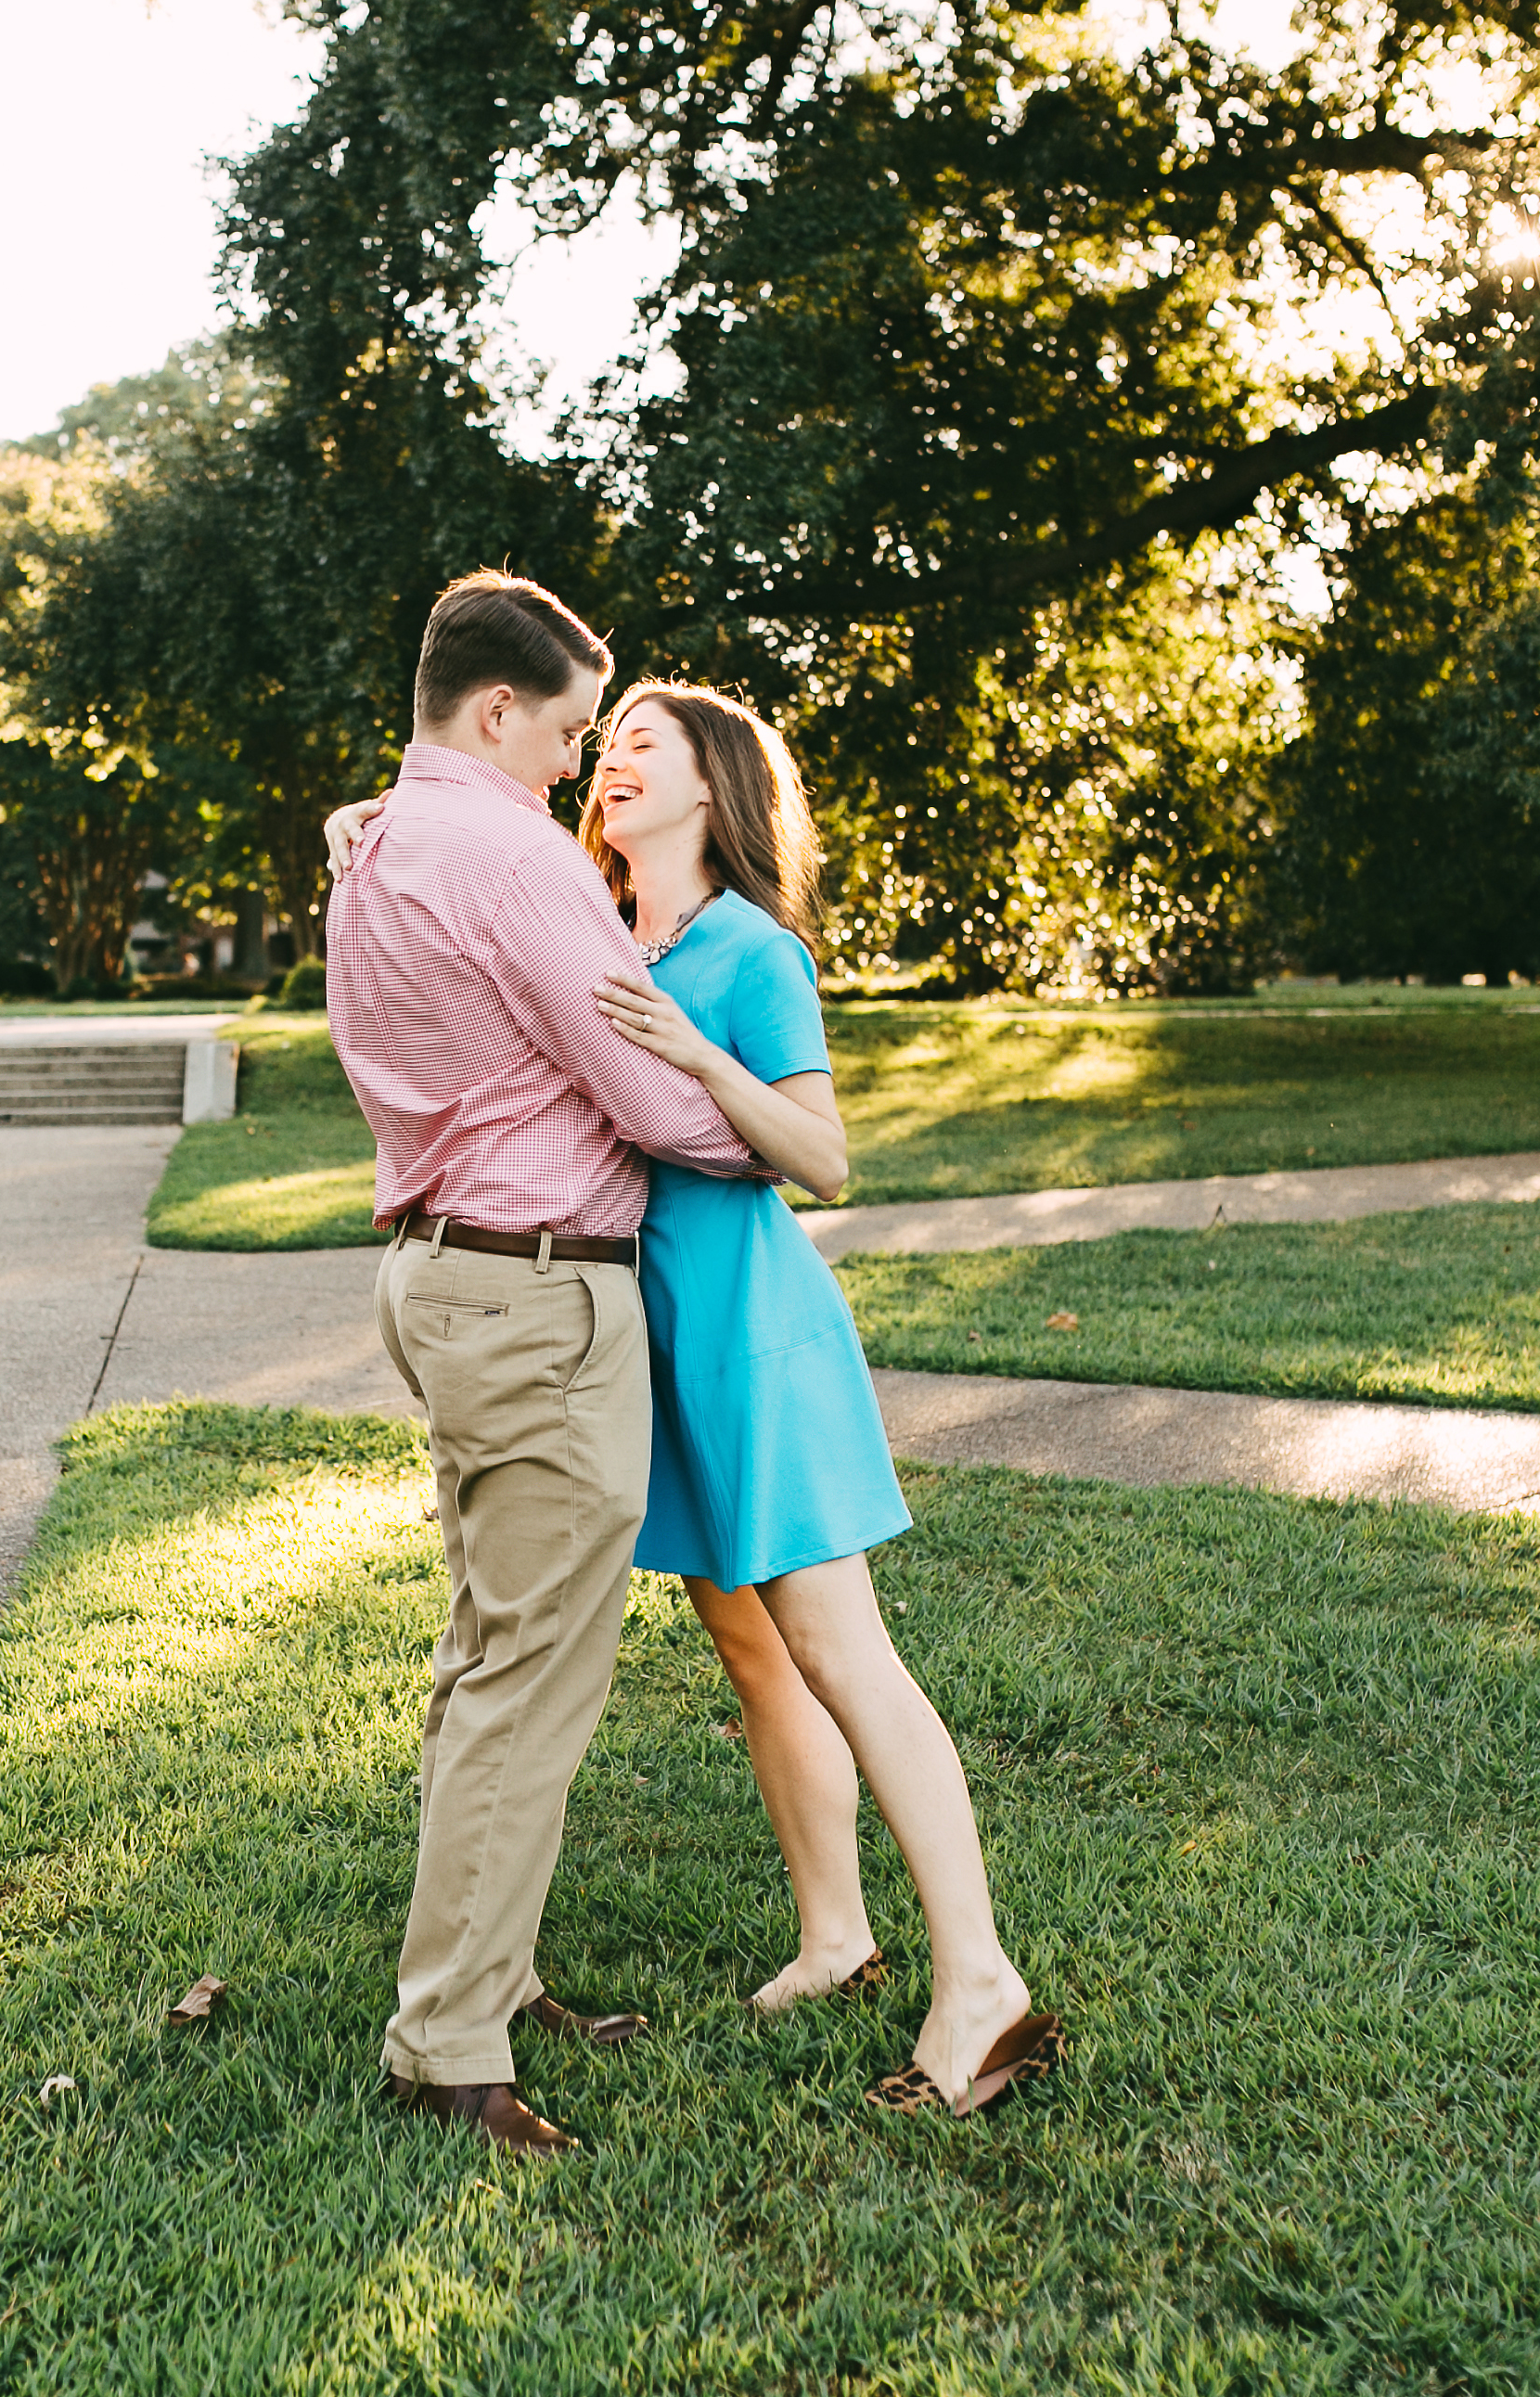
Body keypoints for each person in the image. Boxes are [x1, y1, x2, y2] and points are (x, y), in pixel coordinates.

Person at [330, 681, 1053, 2118]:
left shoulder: (751, 951)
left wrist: (692, 1051)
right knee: (749, 1649)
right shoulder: (603, 930)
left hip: (749, 1336)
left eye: (644, 746)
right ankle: (837, 1935)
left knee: (846, 1656)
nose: (609, 766)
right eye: (604, 748)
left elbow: (824, 1159)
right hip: (635, 1336)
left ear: (715, 787)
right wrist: (367, 826)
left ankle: (983, 1989)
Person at [326, 571, 765, 2154]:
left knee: (485, 1650)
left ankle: (489, 1980)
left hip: (441, 1280)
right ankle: (448, 2043)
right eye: (574, 730)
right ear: (498, 710)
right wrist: (789, 1133)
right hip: (536, 1304)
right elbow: (652, 1098)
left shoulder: (377, 844)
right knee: (529, 1679)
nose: (584, 764)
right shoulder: (515, 857)